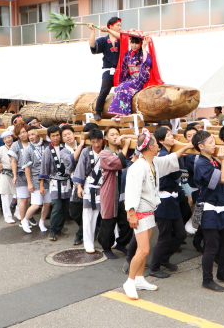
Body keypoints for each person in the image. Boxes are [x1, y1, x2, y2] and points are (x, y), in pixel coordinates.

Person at [122, 129, 193, 300]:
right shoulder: (138, 167)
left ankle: (139, 279)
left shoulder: (152, 162)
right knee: (144, 249)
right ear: (150, 147)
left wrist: (188, 146)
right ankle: (129, 282)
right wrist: (130, 213)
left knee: (142, 250)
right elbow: (131, 191)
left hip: (149, 211)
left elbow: (170, 159)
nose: (157, 145)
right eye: (155, 142)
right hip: (138, 211)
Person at [191, 130, 224, 292]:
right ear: (201, 146)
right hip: (207, 208)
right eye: (211, 142)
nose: (214, 145)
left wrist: (223, 160)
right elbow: (222, 179)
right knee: (212, 246)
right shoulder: (201, 163)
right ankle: (207, 280)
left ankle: (222, 273)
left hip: (221, 207)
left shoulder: (214, 159)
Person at [147, 127, 186, 279]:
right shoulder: (162, 155)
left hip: (172, 198)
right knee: (164, 236)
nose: (173, 137)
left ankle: (164, 258)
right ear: (161, 140)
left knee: (180, 234)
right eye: (169, 135)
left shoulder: (169, 154)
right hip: (163, 199)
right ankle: (154, 267)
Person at [98, 126, 133, 259]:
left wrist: (125, 141)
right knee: (108, 221)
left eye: (117, 134)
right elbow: (118, 162)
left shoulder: (121, 149)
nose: (115, 136)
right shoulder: (104, 153)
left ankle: (121, 243)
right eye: (112, 134)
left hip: (123, 191)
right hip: (110, 191)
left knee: (127, 221)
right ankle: (106, 248)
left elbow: (131, 153)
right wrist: (125, 146)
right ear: (105, 137)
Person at [73, 128, 105, 253]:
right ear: (90, 142)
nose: (96, 144)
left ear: (103, 140)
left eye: (98, 141)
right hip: (90, 186)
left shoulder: (106, 152)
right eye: (93, 142)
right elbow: (80, 169)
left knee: (107, 215)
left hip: (104, 187)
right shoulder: (86, 152)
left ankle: (112, 240)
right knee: (88, 216)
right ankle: (88, 243)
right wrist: (79, 187)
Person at [40, 126, 74, 241]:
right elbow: (44, 168)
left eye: (57, 135)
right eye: (53, 136)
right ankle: (52, 231)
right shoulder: (48, 150)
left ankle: (59, 229)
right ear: (49, 137)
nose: (56, 137)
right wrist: (41, 185)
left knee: (65, 208)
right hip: (54, 181)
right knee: (57, 207)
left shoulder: (66, 148)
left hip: (67, 180)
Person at [88, 17, 122, 121]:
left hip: (120, 70)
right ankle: (98, 112)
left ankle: (120, 112)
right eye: (118, 25)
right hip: (108, 70)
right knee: (103, 92)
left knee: (121, 91)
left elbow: (121, 37)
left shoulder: (121, 38)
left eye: (120, 25)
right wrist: (93, 30)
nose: (120, 27)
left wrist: (107, 30)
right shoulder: (103, 40)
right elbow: (92, 45)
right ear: (111, 26)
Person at [21, 125, 51, 232]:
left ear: (39, 134)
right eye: (29, 135)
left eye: (33, 134)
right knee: (36, 204)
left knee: (47, 202)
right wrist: (29, 183)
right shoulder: (28, 149)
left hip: (48, 177)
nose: (31, 137)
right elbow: (27, 168)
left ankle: (42, 222)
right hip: (35, 177)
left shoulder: (47, 145)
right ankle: (25, 220)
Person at [61, 124, 85, 245]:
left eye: (69, 134)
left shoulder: (87, 144)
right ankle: (86, 228)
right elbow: (71, 161)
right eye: (64, 135)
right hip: (75, 182)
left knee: (88, 208)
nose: (68, 137)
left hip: (89, 180)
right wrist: (80, 146)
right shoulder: (63, 151)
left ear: (74, 134)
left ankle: (80, 234)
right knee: (74, 211)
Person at [9, 123, 32, 231]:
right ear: (17, 135)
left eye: (24, 132)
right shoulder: (16, 145)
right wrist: (14, 175)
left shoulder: (32, 142)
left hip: (34, 174)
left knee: (33, 199)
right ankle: (23, 220)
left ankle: (29, 217)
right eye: (20, 133)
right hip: (21, 173)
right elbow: (13, 161)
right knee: (24, 198)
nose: (23, 135)